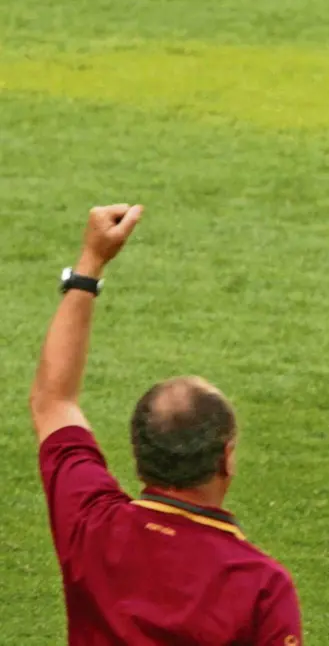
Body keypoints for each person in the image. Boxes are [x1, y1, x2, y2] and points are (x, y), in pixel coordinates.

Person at [31, 205, 302, 645]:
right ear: (227, 459)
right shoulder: (261, 586)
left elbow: (53, 402)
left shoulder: (93, 525)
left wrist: (90, 262)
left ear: (140, 455)